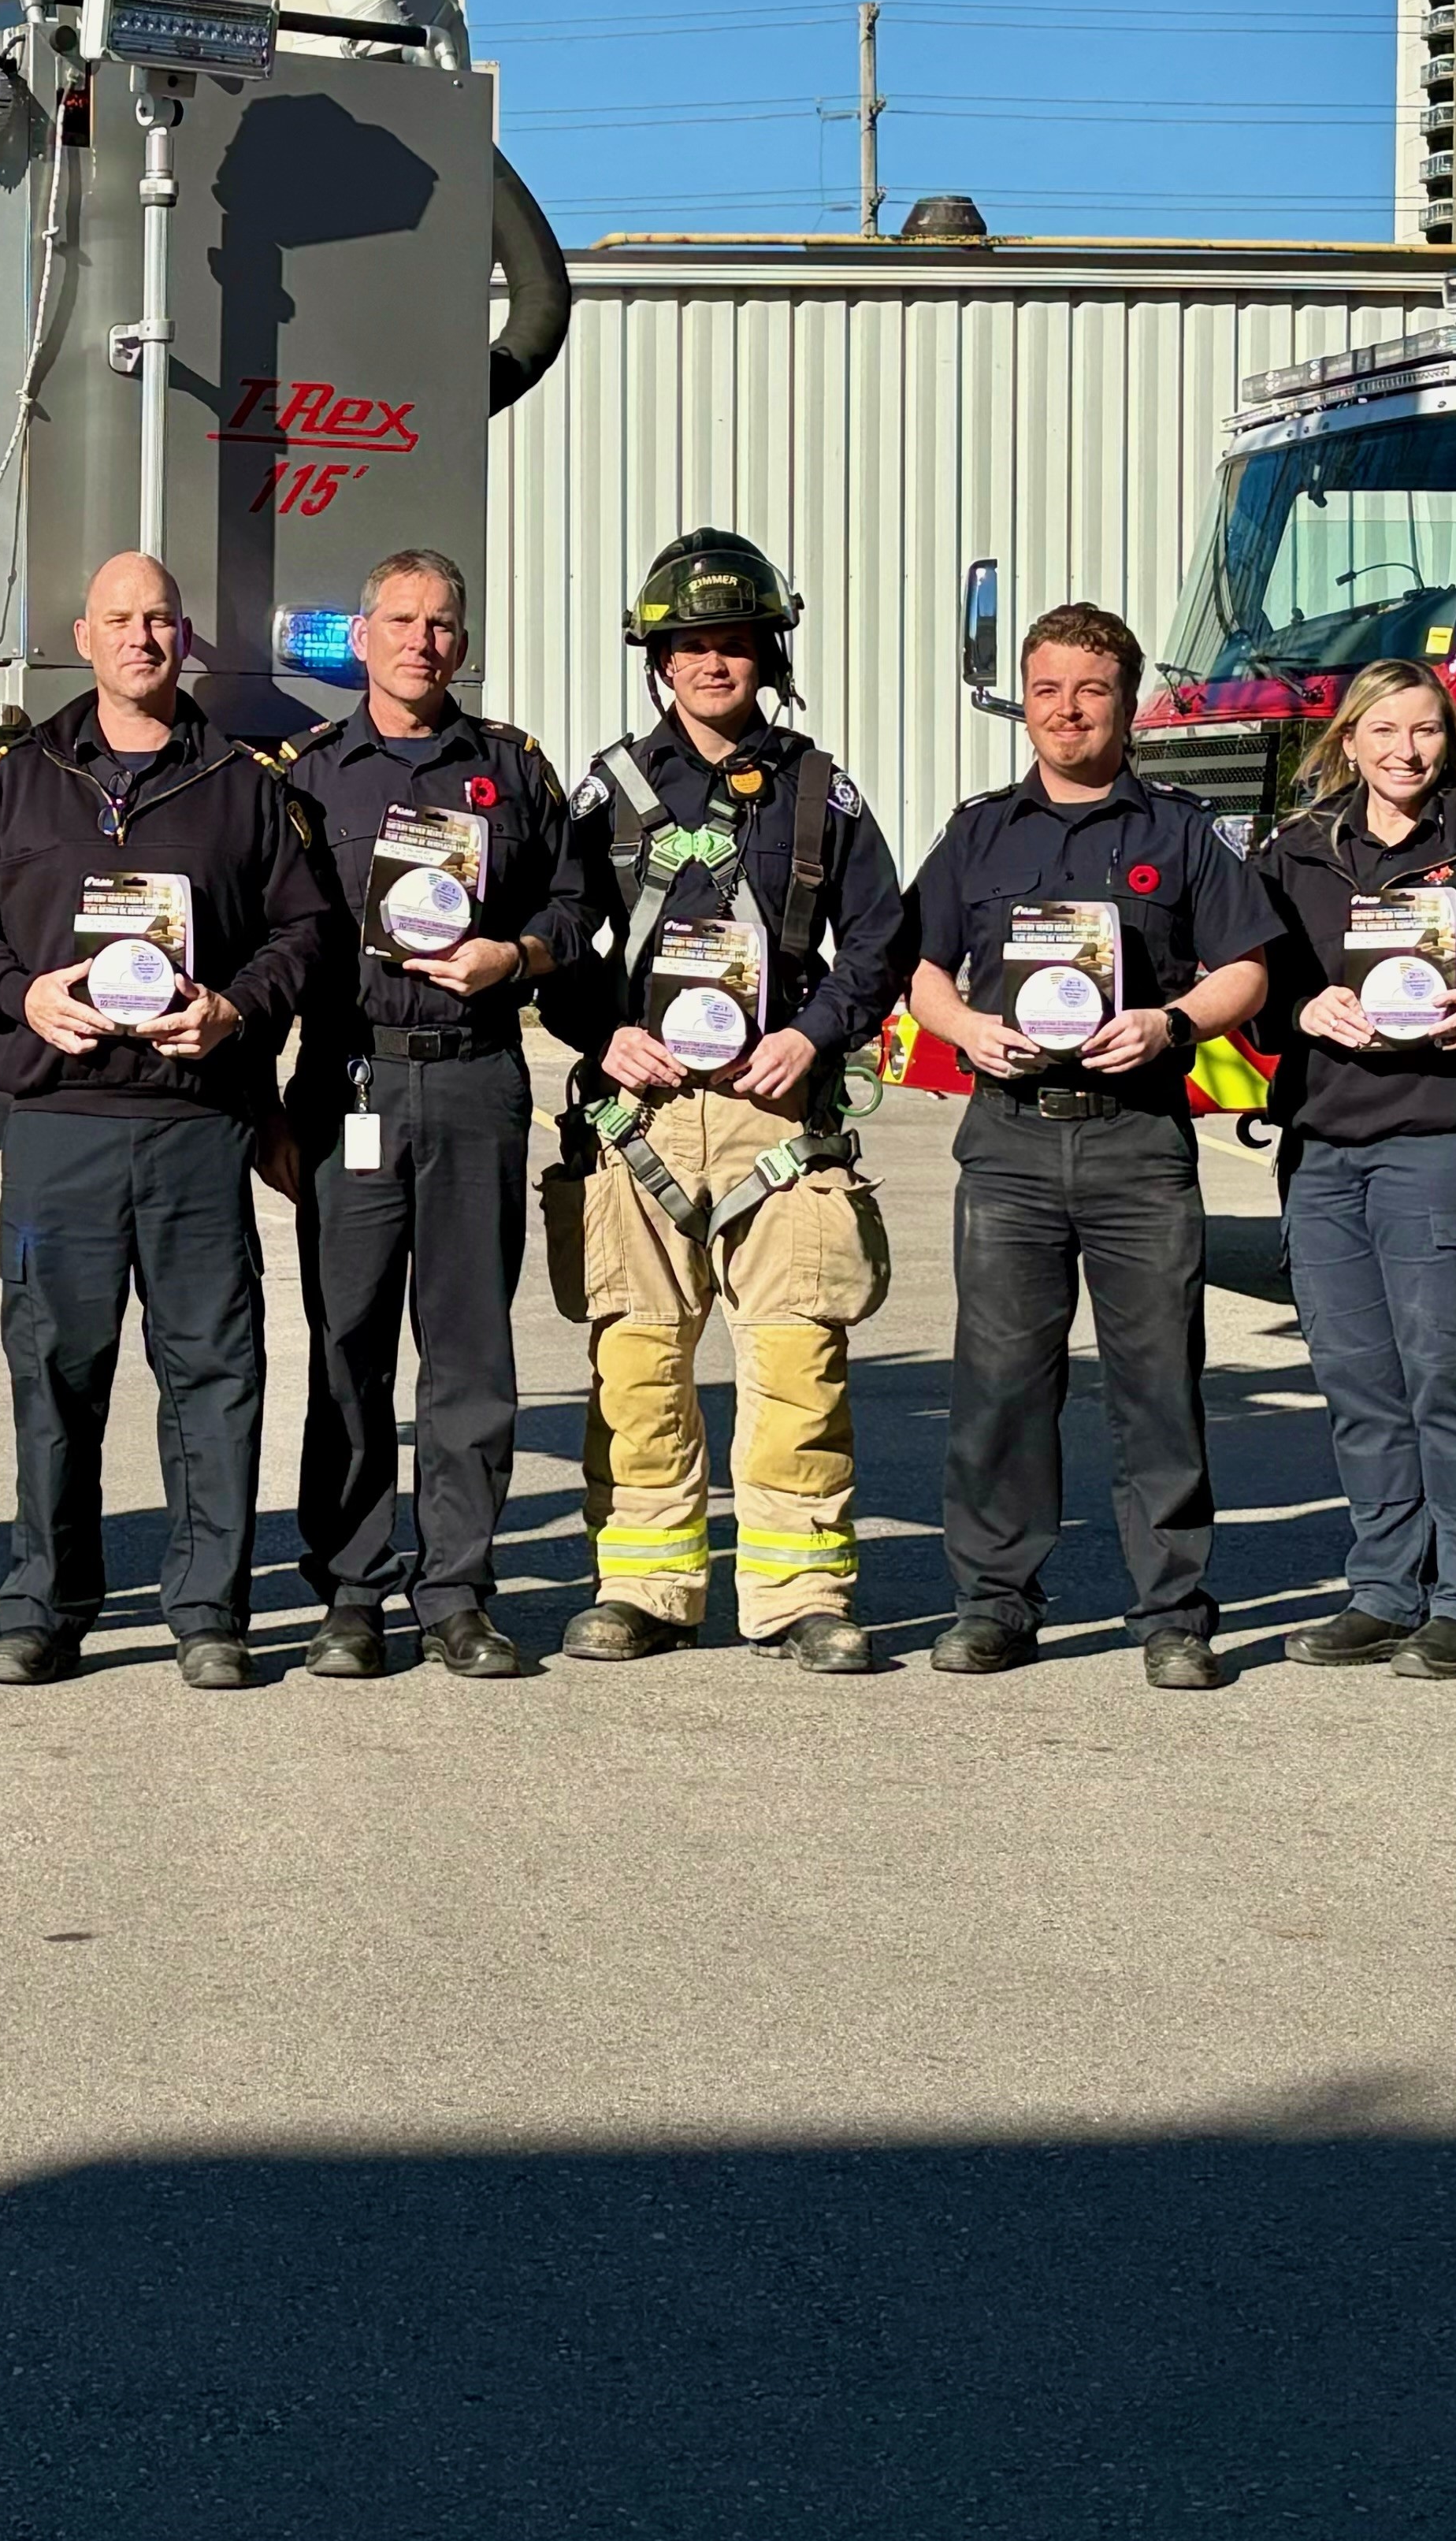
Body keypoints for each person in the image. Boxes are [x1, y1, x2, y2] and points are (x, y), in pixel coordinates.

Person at [0, 550, 329, 1688]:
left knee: (213, 1369)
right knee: (56, 1369)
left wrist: (236, 1009)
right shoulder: (18, 779)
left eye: (160, 620)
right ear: (84, 634)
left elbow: (303, 933)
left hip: (198, 1123)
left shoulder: (244, 785)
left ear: (185, 639)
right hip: (61, 1125)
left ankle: (209, 1611)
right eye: (121, 619)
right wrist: (22, 994)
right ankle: (44, 1608)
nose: (142, 638)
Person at [543, 529, 908, 1671]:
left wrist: (813, 1035)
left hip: (778, 1112)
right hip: (641, 1114)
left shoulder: (817, 787)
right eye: (690, 645)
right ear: (657, 659)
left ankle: (800, 1592)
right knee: (639, 1357)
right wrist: (606, 1037)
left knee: (797, 1355)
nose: (713, 665)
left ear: (767, 655)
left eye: (735, 644)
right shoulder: (607, 790)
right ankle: (646, 1585)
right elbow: (559, 938)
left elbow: (883, 938)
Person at [900, 602, 1277, 1690]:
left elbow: (1247, 963)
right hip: (1011, 1146)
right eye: (1048, 690)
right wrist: (966, 1025)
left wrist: (1173, 1024)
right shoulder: (978, 832)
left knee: (1157, 1383)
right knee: (1002, 1385)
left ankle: (1171, 1613)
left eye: (1091, 690)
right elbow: (921, 966)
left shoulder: (1178, 831)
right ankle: (994, 1604)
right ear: (1025, 701)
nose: (1067, 711)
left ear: (1126, 700)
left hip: (1137, 1144)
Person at [276, 548, 586, 1681]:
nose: (422, 640)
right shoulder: (306, 776)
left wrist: (519, 950)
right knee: (347, 1345)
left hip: (473, 1076)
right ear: (360, 638)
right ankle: (351, 1593)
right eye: (400, 621)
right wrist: (266, 1103)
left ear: (464, 640)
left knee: (469, 1352)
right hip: (350, 1077)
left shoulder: (509, 767)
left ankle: (456, 1591)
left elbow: (576, 896)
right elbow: (272, 933)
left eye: (442, 623)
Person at [1247, 659, 1456, 1680]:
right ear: (1347, 740)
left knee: (1444, 1373)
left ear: (1450, 739)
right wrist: (1299, 1009)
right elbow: (1255, 993)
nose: (1405, 750)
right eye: (1383, 730)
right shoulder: (1291, 855)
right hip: (1327, 1150)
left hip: (1449, 1139)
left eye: (1426, 730)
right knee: (1358, 1382)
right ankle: (1386, 1590)